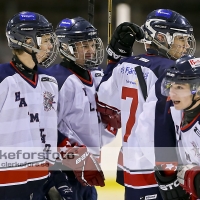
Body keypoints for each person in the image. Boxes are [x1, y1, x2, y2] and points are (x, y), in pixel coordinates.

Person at [96, 8, 196, 200]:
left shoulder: (124, 65)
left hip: (131, 167)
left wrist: (113, 60)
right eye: (180, 39)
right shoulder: (173, 71)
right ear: (160, 37)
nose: (185, 45)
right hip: (163, 170)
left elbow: (104, 100)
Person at [46, 16, 116, 200]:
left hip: (88, 171)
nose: (91, 50)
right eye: (84, 46)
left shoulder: (96, 76)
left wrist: (111, 125)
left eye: (92, 44)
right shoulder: (57, 81)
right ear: (66, 47)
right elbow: (45, 131)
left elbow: (95, 129)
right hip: (63, 172)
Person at [0, 11, 59, 200]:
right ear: (27, 41)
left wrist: (52, 177)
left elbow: (48, 133)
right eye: (46, 40)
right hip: (7, 180)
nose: (50, 46)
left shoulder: (50, 82)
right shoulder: (3, 79)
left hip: (39, 177)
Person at [153, 55, 200, 200]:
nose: (172, 93)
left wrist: (193, 179)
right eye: (171, 85)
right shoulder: (179, 113)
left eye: (179, 87)